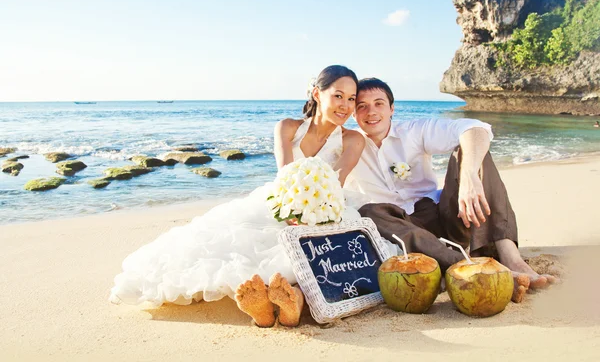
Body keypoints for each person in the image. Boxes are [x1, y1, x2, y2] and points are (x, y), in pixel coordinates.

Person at [109, 65, 365, 328]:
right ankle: (263, 301)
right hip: (281, 200)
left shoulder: (353, 139)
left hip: (325, 208)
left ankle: (287, 300)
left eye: (351, 98)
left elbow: (336, 184)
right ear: (316, 94)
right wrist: (293, 211)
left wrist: (314, 214)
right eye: (338, 95)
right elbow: (284, 177)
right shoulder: (287, 127)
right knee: (235, 243)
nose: (345, 105)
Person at [344, 78, 557, 303]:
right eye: (362, 106)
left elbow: (475, 128)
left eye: (379, 103)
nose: (371, 112)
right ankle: (468, 268)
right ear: (353, 114)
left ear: (392, 109)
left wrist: (468, 175)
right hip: (402, 229)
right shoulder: (346, 143)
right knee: (368, 212)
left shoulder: (414, 131)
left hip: (446, 216)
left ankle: (512, 260)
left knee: (471, 153)